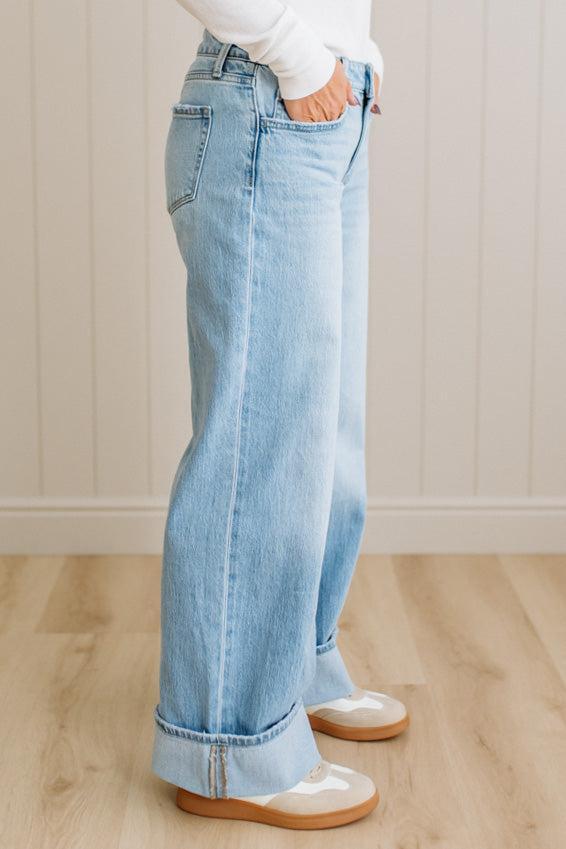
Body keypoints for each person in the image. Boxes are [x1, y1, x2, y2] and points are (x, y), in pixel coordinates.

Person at [152, 0, 409, 830]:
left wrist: (352, 57)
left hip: (322, 99)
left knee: (321, 430)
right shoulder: (285, 68)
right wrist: (300, 55)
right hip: (267, 93)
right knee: (261, 439)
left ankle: (292, 666)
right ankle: (228, 745)